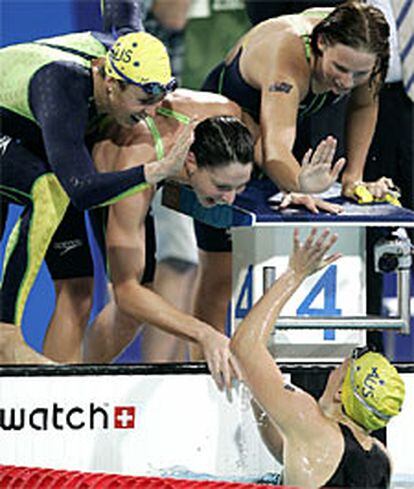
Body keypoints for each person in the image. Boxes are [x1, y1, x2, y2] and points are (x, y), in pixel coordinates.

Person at [191, 0, 394, 356]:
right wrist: (299, 183)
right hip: (230, 127)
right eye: (340, 68)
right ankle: (199, 372)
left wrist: (354, 178)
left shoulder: (366, 54)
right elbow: (273, 152)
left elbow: (364, 105)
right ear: (320, 43)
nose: (346, 82)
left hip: (281, 124)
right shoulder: (287, 58)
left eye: (359, 75)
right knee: (220, 276)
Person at [0, 0, 194, 362]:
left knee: (78, 290)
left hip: (34, 136)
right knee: (49, 189)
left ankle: (62, 399)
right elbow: (82, 189)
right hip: (14, 131)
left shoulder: (131, 48)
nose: (151, 112)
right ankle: (5, 332)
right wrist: (155, 170)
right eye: (143, 100)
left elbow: (123, 8)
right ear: (110, 83)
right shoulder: (61, 88)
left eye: (159, 99)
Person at [42, 90, 254, 389]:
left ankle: (84, 384)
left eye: (240, 186)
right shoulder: (137, 161)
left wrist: (294, 187)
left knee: (139, 307)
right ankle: (56, 401)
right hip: (69, 174)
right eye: (221, 186)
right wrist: (202, 332)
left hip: (152, 162)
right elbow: (126, 292)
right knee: (77, 295)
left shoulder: (230, 114)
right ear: (190, 161)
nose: (229, 198)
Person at [230, 228, 405, 488]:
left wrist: (295, 273)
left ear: (340, 393)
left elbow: (244, 346)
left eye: (340, 368)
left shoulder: (310, 422)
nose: (333, 371)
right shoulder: (382, 459)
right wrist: (258, 391)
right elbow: (292, 456)